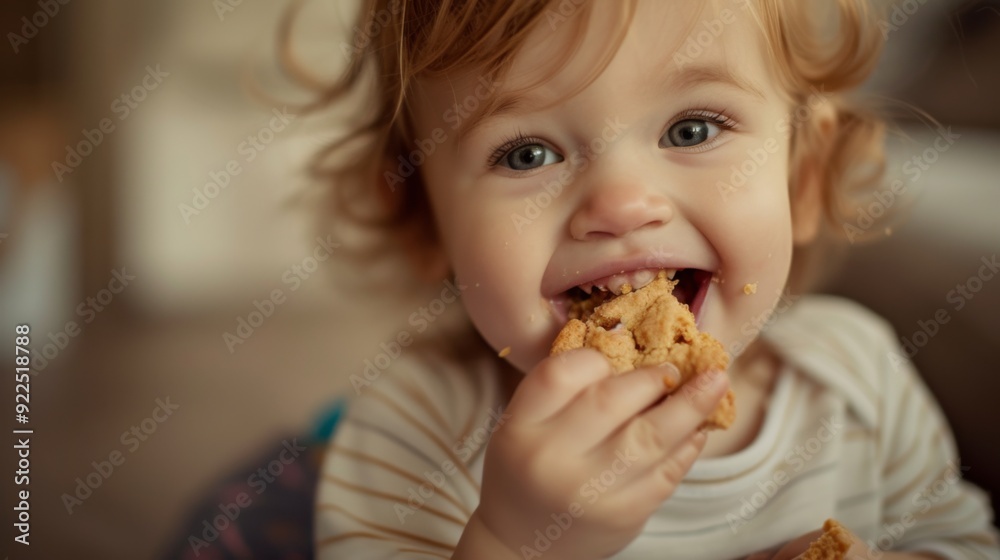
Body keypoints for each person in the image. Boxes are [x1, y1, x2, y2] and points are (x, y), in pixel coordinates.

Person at [297, 0, 1000, 558]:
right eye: (528, 153)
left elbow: (959, 540)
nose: (622, 204)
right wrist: (516, 542)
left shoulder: (857, 376)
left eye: (692, 129)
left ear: (803, 180)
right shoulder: (413, 431)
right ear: (428, 225)